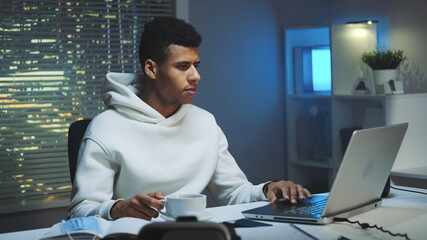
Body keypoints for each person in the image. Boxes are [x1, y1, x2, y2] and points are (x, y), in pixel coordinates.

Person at [67, 16, 311, 221]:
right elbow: (80, 211)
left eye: (196, 65)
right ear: (152, 69)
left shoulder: (204, 122)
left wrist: (269, 189)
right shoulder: (106, 128)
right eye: (183, 66)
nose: (196, 76)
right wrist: (118, 208)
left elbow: (234, 193)